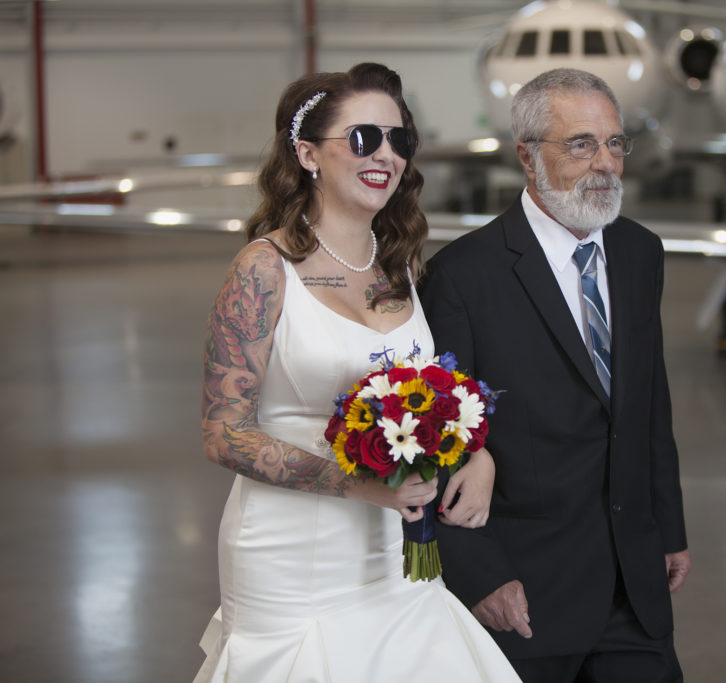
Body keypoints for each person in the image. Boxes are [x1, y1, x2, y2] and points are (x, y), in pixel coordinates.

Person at [194, 63, 520, 682]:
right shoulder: (263, 270)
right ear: (307, 153)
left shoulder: (397, 267)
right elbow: (223, 433)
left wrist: (478, 458)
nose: (387, 155)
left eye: (400, 140)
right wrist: (361, 488)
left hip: (397, 552)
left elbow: (430, 404)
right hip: (292, 559)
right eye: (364, 137)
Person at [419, 68, 691, 682]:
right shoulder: (464, 276)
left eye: (615, 143)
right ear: (526, 155)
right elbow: (436, 443)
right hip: (526, 594)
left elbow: (650, 405)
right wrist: (477, 572)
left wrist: (667, 527)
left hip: (634, 588)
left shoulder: (638, 253)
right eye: (581, 144)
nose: (605, 163)